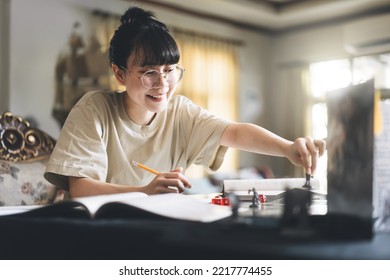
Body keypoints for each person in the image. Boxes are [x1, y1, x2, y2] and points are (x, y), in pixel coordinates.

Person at [44, 7, 326, 198]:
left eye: (170, 71)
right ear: (120, 73)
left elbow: (235, 132)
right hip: (94, 233)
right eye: (149, 73)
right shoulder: (94, 109)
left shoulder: (180, 112)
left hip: (154, 231)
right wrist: (144, 191)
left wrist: (287, 148)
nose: (163, 84)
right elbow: (80, 188)